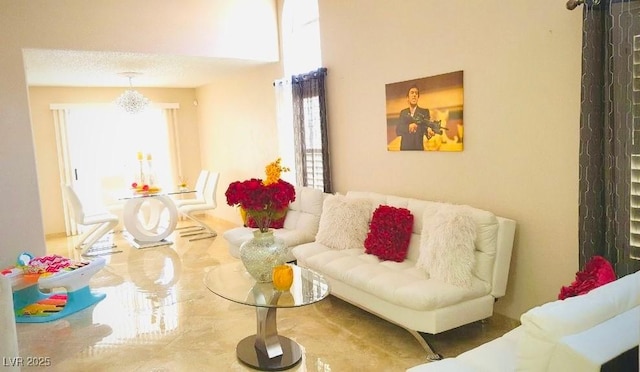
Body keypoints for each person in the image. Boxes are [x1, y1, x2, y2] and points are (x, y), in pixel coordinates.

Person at [395, 85, 433, 151]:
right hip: (405, 150)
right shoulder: (403, 112)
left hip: (418, 149)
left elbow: (426, 127)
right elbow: (398, 130)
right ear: (407, 97)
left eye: (416, 93)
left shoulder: (425, 112)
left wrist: (429, 130)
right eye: (412, 93)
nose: (414, 95)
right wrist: (409, 127)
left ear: (418, 97)